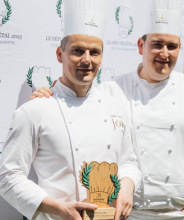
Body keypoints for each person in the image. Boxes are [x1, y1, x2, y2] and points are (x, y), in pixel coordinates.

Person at [30, 1, 184, 220]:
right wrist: (49, 95)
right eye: (157, 45)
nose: (164, 53)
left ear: (179, 49)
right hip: (129, 215)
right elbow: (73, 105)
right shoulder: (111, 90)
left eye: (172, 46)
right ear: (141, 46)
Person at [0, 1, 141, 220]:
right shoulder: (35, 110)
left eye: (94, 52)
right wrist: (58, 208)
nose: (87, 60)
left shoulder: (117, 107)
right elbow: (8, 177)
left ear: (101, 58)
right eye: (77, 51)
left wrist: (128, 187)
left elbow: (128, 162)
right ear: (59, 54)